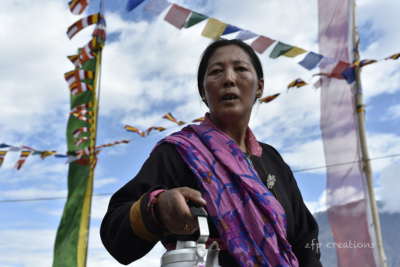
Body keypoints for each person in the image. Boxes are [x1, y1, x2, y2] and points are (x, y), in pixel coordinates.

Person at [100, 39, 322, 267]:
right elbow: (113, 234)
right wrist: (156, 209)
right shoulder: (179, 153)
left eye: (241, 69)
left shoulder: (272, 160)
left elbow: (306, 240)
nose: (228, 79)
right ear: (203, 92)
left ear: (260, 87)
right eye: (216, 72)